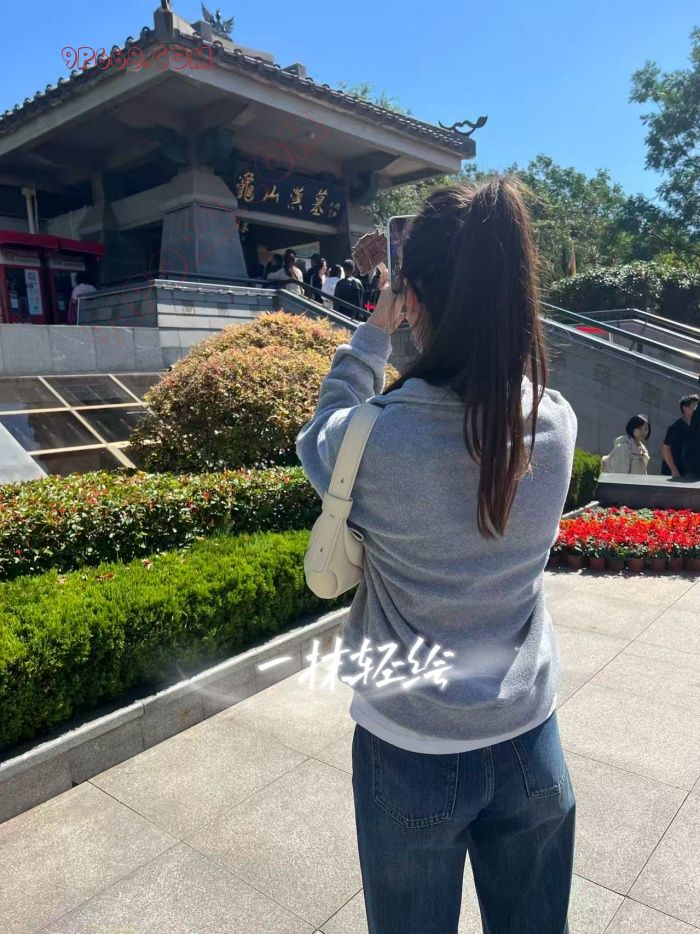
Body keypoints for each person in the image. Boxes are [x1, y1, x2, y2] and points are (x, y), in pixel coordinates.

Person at [296, 178, 577, 934]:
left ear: (412, 297)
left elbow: (318, 435)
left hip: (407, 750)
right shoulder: (554, 424)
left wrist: (372, 334)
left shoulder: (375, 439)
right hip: (530, 741)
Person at [661, 394, 699, 477]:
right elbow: (666, 448)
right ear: (685, 408)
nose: (697, 409)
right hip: (674, 472)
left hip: (689, 472)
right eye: (694, 406)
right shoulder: (676, 427)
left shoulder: (696, 426)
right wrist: (674, 470)